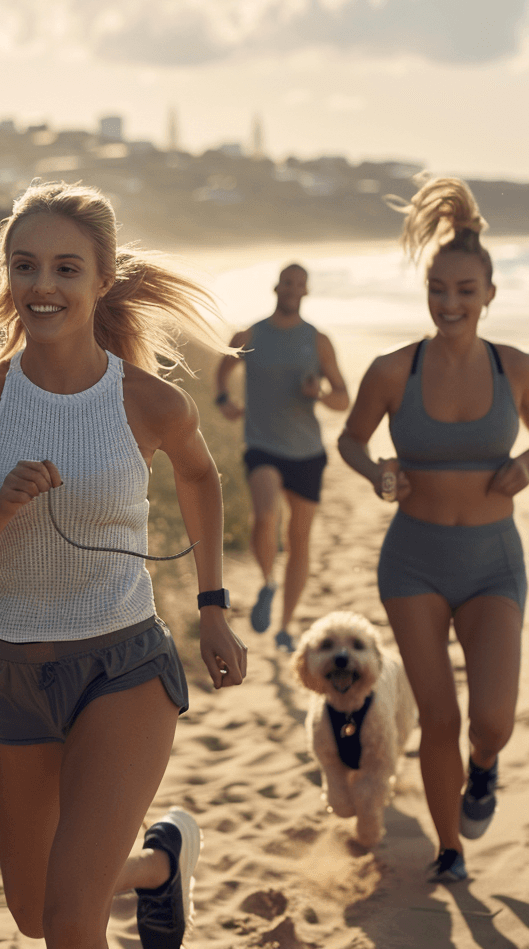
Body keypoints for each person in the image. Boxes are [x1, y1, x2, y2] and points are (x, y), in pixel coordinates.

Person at [0, 181, 247, 948]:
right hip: (7, 675)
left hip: (121, 668)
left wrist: (213, 608)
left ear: (103, 283)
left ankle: (137, 873)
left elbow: (200, 476)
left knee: (70, 921)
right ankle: (160, 867)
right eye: (25, 266)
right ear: (6, 277)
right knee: (37, 916)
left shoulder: (148, 401)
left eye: (67, 269)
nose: (42, 285)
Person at [337, 176, 528, 883]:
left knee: (494, 721)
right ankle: (450, 848)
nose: (450, 304)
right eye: (437, 289)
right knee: (439, 718)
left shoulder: (517, 369)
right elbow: (351, 441)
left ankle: (485, 770)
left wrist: (527, 465)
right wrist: (378, 472)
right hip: (412, 562)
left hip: (493, 564)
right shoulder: (393, 370)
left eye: (464, 291)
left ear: (489, 295)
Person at [214, 263, 349, 652]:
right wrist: (224, 399)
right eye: (287, 282)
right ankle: (268, 581)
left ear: (305, 292)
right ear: (277, 287)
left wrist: (319, 394)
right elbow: (224, 367)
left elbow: (343, 398)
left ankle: (286, 625)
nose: (292, 289)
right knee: (266, 514)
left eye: (299, 284)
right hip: (262, 445)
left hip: (307, 451)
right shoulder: (251, 334)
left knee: (299, 540)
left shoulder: (317, 340)